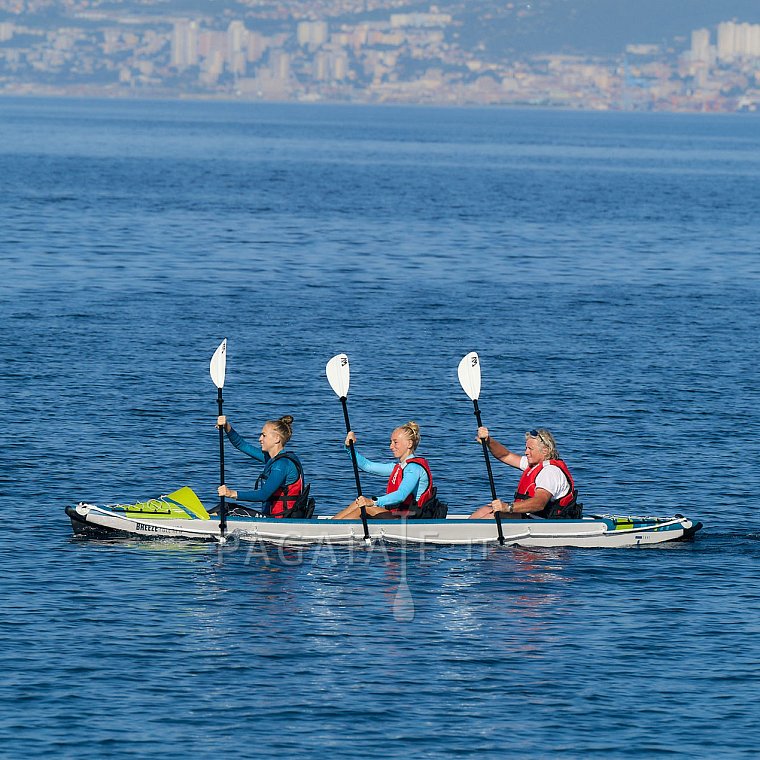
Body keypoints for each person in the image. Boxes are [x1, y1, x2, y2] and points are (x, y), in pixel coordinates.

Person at [469, 427, 580, 519]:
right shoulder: (533, 465)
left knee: (493, 515)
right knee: (486, 510)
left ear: (545, 451)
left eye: (530, 449)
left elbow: (539, 503)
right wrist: (488, 441)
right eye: (526, 448)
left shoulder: (550, 472)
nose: (526, 452)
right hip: (529, 516)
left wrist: (507, 507)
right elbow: (505, 455)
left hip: (543, 522)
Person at [332, 421, 436, 520]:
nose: (391, 447)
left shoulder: (414, 468)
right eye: (391, 442)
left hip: (411, 519)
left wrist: (372, 502)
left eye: (395, 442)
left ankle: (331, 529)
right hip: (398, 515)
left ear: (409, 444)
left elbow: (401, 495)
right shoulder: (399, 467)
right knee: (359, 502)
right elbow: (367, 466)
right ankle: (329, 524)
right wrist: (350, 448)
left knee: (365, 507)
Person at [215, 414, 311, 518]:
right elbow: (241, 445)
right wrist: (226, 426)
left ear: (277, 439)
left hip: (282, 519)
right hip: (274, 516)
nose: (260, 439)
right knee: (223, 507)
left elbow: (263, 494)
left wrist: (231, 493)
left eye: (264, 435)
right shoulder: (273, 459)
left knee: (227, 509)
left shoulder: (282, 465)